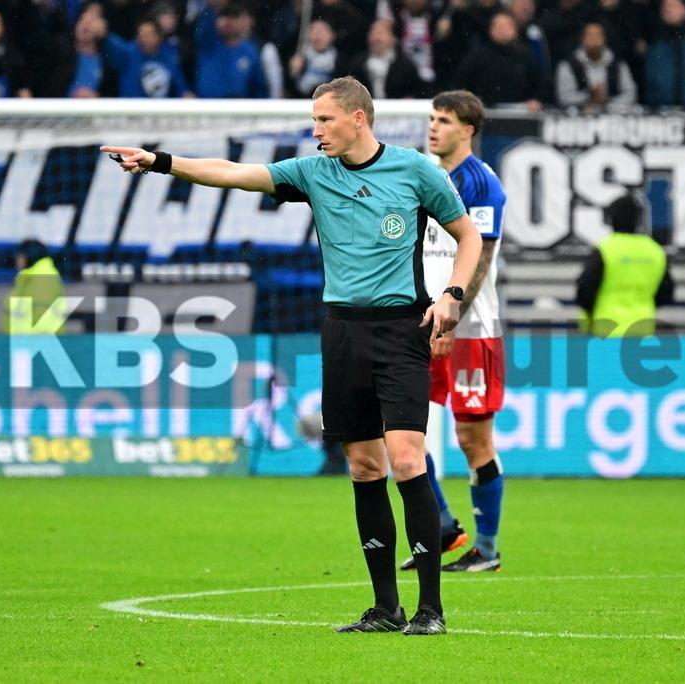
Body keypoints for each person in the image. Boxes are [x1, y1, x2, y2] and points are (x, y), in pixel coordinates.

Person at [102, 76, 482, 635]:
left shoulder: (415, 170)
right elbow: (232, 173)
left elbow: (467, 236)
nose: (316, 129)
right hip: (342, 331)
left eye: (325, 119)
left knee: (406, 459)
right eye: (314, 119)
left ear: (358, 118)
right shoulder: (312, 173)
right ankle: (385, 607)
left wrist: (452, 295)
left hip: (402, 327)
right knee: (363, 465)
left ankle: (431, 609)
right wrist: (160, 161)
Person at [399, 90, 507, 574]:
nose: (434, 127)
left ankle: (486, 548)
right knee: (398, 423)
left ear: (468, 130)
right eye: (432, 118)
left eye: (445, 120)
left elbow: (479, 255)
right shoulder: (424, 173)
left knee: (471, 438)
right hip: (424, 320)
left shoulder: (480, 184)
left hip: (471, 327)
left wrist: (454, 315)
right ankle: (443, 526)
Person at [575, 194, 675, 337]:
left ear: (611, 219)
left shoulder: (606, 249)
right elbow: (666, 293)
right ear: (639, 220)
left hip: (607, 329)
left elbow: (584, 291)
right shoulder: (654, 251)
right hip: (643, 329)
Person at [555, 21, 638, 112]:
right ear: (582, 39)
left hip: (613, 114)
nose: (594, 40)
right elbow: (564, 97)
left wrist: (608, 103)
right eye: (590, 35)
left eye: (598, 36)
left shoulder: (618, 65)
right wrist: (589, 96)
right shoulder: (568, 65)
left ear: (605, 39)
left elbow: (630, 93)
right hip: (580, 115)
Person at [4, 239, 67, 335]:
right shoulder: (31, 277)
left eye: (20, 256)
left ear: (29, 256)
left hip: (34, 343)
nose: (17, 259)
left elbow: (42, 316)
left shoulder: (42, 278)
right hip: (27, 343)